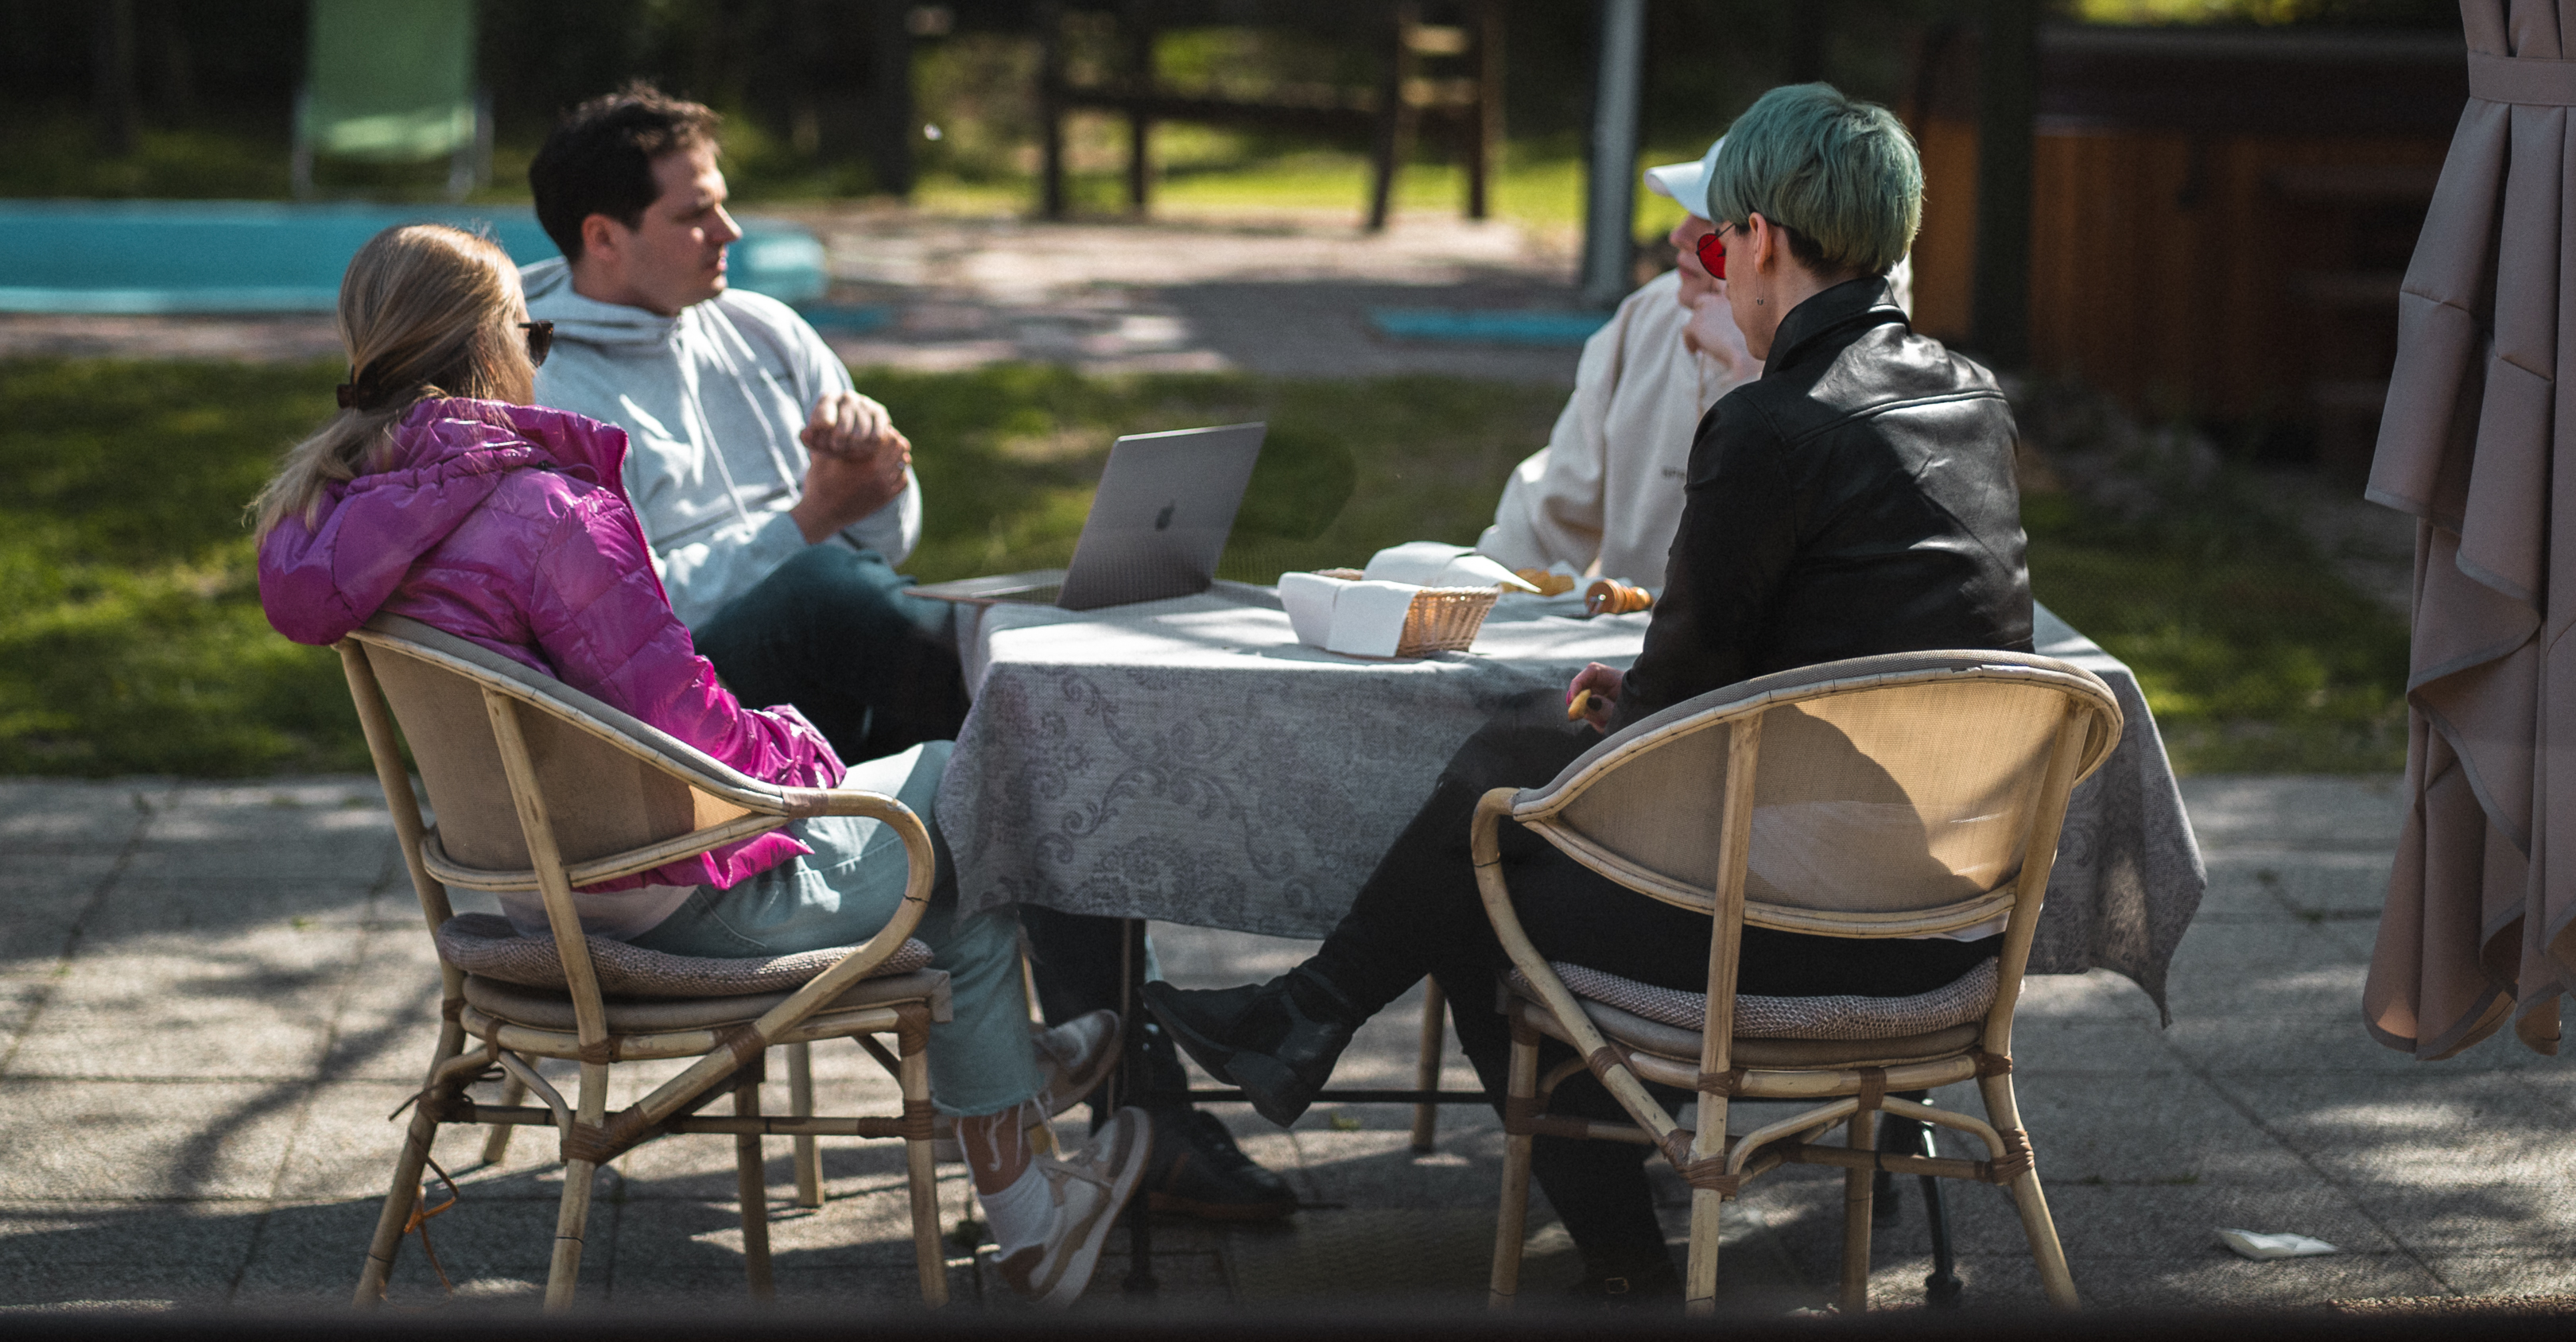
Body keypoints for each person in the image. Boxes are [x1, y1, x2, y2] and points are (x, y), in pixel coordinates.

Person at [1146, 83, 2032, 1301]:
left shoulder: (1771, 426)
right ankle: (1303, 1021)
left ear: (1760, 240)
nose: (1716, 271)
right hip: (1949, 926)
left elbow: (1672, 722)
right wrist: (1653, 698)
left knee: (1480, 875)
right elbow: (1848, 639)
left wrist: (1643, 703)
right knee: (1508, 769)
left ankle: (1612, 1257)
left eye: (1716, 249)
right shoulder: (1970, 397)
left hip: (1808, 937)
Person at [255, 223, 1147, 1307]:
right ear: (494, 348)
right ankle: (1027, 1172)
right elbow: (681, 722)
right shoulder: (544, 512)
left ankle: (1031, 1179)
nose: (537, 355)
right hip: (674, 904)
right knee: (973, 785)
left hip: (530, 897)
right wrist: (805, 762)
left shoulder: (335, 518)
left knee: (948, 872)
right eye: (531, 335)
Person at [517, 87, 1294, 1223]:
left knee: (1034, 740)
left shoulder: (762, 331)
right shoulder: (550, 383)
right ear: (603, 235)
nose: (729, 231)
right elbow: (615, 620)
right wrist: (809, 522)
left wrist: (876, 482)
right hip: (677, 733)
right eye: (695, 215)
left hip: (825, 696)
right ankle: (1130, 1103)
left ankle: (1154, 1116)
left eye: (723, 204)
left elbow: (888, 541)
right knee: (848, 602)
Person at [1477, 157, 1911, 595]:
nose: (1680, 235)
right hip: (1635, 635)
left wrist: (1753, 370)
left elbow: (1830, 581)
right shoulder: (1651, 314)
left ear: (1771, 247)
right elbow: (1549, 512)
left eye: (1714, 222)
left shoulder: (1873, 361)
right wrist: (1484, 591)